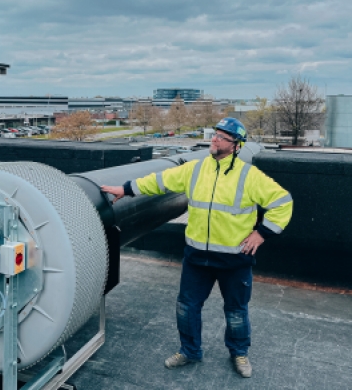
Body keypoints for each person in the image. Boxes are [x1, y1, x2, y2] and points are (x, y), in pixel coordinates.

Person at [101, 117, 292, 378]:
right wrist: (125, 189)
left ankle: (239, 353)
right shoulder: (196, 169)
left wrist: (261, 233)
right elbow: (160, 180)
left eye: (222, 137)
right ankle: (189, 350)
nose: (215, 139)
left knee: (236, 312)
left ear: (236, 146)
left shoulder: (250, 176)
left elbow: (283, 202)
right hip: (197, 258)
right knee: (186, 307)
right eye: (215, 134)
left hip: (234, 260)